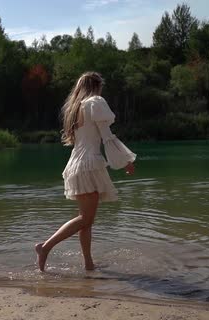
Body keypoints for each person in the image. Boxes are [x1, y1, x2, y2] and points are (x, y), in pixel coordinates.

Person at [35, 71, 136, 272]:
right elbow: (107, 137)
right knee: (85, 219)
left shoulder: (76, 108)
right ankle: (45, 247)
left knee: (86, 219)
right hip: (88, 164)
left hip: (76, 165)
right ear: (97, 86)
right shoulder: (95, 102)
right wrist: (125, 161)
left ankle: (88, 264)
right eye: (101, 87)